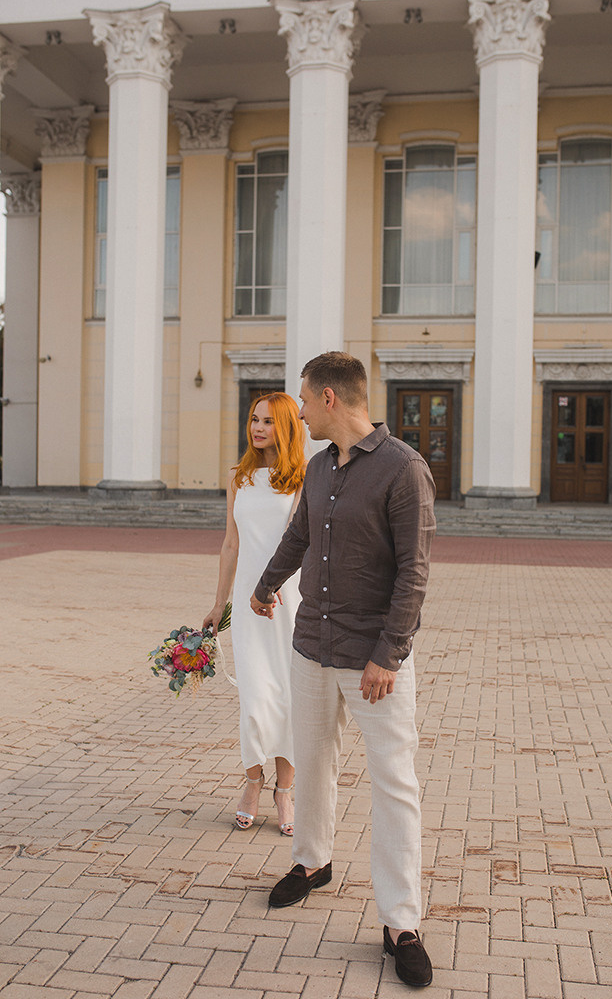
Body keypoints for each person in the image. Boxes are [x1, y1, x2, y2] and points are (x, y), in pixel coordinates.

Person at [250, 352, 436, 988]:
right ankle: (312, 862)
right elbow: (299, 537)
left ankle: (401, 922)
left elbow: (414, 570)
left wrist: (389, 653)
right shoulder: (322, 467)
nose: (297, 411)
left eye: (303, 399)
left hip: (372, 660)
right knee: (313, 760)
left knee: (393, 783)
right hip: (311, 647)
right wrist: (265, 584)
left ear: (330, 398)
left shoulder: (403, 469)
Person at [204, 392, 306, 836]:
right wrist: (218, 603)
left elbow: (295, 541)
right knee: (254, 698)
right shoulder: (239, 477)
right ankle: (252, 780)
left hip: (286, 601)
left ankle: (285, 790)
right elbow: (231, 544)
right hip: (246, 602)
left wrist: (275, 586)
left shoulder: (302, 479)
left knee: (287, 697)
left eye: (267, 421)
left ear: (285, 426)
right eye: (253, 419)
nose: (258, 428)